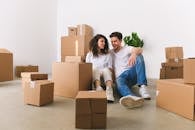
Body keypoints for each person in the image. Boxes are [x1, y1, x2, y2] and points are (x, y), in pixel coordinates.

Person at [109, 32, 151, 108]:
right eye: (111, 42)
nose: (113, 43)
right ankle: (133, 98)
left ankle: (143, 87)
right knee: (119, 81)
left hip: (131, 74)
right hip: (121, 78)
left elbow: (140, 49)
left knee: (139, 56)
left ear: (120, 41)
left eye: (115, 41)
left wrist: (134, 54)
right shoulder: (110, 52)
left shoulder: (126, 48)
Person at [86, 34, 115, 102]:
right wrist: (98, 73)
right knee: (95, 69)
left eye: (104, 42)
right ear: (96, 42)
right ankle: (98, 88)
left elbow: (110, 68)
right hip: (95, 79)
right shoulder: (90, 54)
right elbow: (87, 68)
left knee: (106, 69)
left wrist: (102, 73)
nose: (104, 43)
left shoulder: (108, 55)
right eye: (102, 41)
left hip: (106, 79)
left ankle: (109, 91)